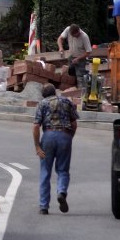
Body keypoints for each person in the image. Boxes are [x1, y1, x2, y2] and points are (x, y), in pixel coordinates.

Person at [32, 83, 78, 214]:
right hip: (65, 135)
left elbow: (36, 126)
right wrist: (69, 139)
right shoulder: (67, 101)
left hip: (49, 136)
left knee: (45, 172)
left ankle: (43, 207)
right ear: (55, 92)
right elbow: (74, 124)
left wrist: (37, 147)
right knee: (63, 170)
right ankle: (62, 191)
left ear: (44, 94)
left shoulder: (42, 103)